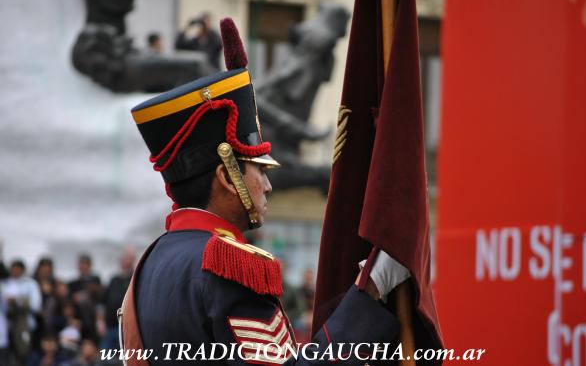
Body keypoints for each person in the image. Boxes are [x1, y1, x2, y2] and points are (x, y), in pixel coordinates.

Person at [122, 18, 410, 365]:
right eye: (261, 170)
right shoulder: (230, 266)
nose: (269, 185)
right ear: (227, 178)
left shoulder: (154, 258)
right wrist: (370, 293)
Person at [2, 260, 42, 364]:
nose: (15, 272)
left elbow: (35, 305)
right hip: (7, 324)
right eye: (13, 270)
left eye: (18, 270)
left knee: (23, 352)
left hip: (24, 324)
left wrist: (18, 301)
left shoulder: (30, 284)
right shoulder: (5, 284)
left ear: (23, 271)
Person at [100, 247, 135, 350]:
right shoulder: (114, 280)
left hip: (129, 327)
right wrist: (100, 322)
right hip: (111, 325)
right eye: (124, 258)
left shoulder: (135, 278)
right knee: (106, 356)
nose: (125, 261)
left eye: (128, 258)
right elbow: (102, 303)